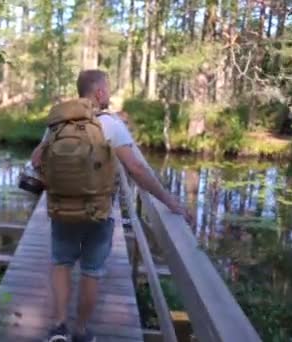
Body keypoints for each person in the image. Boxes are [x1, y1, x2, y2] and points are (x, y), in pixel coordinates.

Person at [30, 69, 191, 342]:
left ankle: (59, 328)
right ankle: (81, 331)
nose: (110, 94)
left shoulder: (58, 123)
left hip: (61, 208)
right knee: (92, 271)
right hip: (98, 211)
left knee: (61, 263)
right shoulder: (111, 124)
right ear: (100, 92)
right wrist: (170, 201)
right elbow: (137, 170)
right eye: (109, 88)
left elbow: (36, 159)